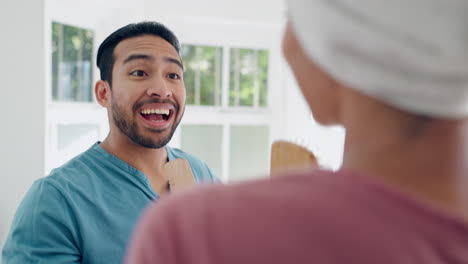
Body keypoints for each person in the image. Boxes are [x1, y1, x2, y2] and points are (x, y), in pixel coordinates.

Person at [124, 1, 468, 263]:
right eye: (139, 72)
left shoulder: (195, 232)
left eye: (293, 15)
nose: (161, 89)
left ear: (329, 54)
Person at [2, 21, 218, 263]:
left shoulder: (202, 174)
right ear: (104, 93)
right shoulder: (55, 200)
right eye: (139, 72)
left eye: (173, 75)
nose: (162, 89)